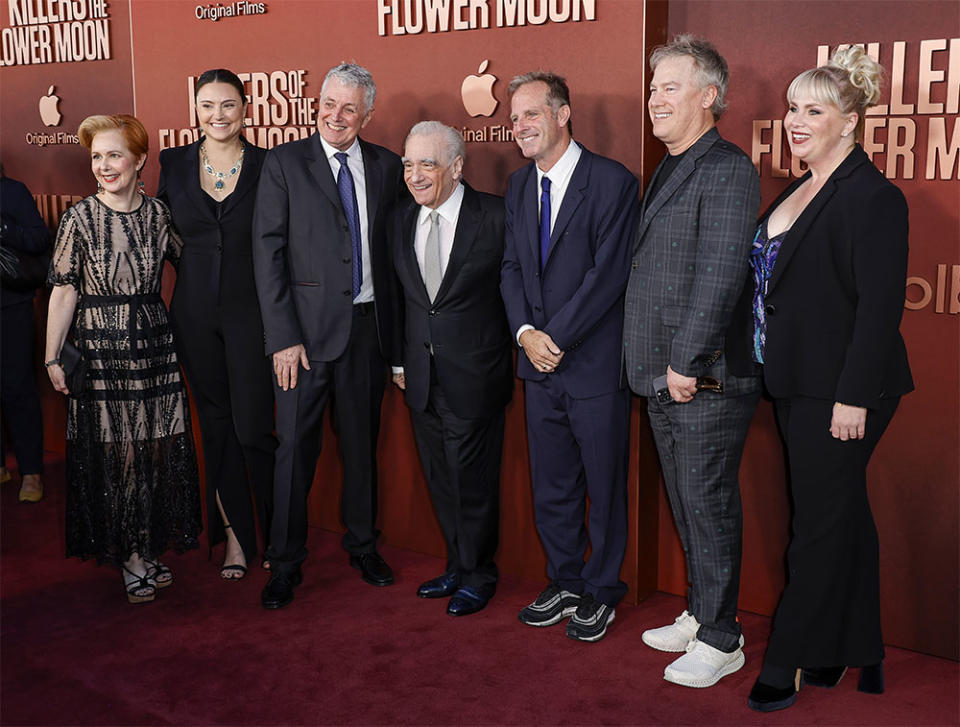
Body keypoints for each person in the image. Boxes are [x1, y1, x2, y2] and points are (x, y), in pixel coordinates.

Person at [744, 46, 913, 712]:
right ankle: (852, 646)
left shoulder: (873, 196)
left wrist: (850, 395)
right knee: (841, 515)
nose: (795, 120)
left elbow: (880, 308)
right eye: (791, 107)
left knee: (815, 525)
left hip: (843, 390)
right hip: (794, 382)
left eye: (813, 109)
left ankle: (786, 657)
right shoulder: (800, 186)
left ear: (850, 122)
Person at [623, 34, 761, 688]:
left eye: (669, 87)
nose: (655, 99)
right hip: (662, 375)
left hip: (702, 377)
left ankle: (723, 636)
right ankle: (701, 611)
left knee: (706, 503)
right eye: (653, 88)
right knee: (686, 501)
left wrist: (684, 359)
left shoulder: (728, 167)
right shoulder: (672, 164)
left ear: (709, 95)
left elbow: (720, 274)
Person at [253, 62, 405, 609]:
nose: (334, 115)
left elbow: (398, 255)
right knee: (294, 452)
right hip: (303, 342)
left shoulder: (389, 167)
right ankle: (285, 561)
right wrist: (282, 338)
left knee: (362, 449)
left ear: (367, 113)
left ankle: (363, 545)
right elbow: (266, 253)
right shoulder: (284, 162)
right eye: (327, 103)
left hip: (367, 333)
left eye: (348, 107)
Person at [500, 71, 638, 642]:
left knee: (603, 486)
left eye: (531, 113)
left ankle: (602, 589)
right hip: (537, 363)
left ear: (563, 114)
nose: (520, 126)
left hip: (593, 366)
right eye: (513, 118)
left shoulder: (611, 182)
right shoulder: (516, 186)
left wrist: (553, 337)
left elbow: (608, 276)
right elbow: (510, 268)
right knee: (552, 484)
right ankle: (565, 579)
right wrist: (527, 334)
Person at [45, 114, 202, 604]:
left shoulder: (159, 215)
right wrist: (52, 357)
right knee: (122, 455)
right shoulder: (80, 219)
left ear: (139, 160)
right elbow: (64, 291)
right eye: (97, 157)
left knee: (155, 450)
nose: (104, 166)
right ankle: (132, 555)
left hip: (154, 347)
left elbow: (198, 265)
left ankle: (149, 545)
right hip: (102, 351)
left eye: (114, 155)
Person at [158, 69, 276, 581]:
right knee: (218, 427)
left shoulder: (271, 165)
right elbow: (165, 235)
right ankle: (233, 537)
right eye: (207, 106)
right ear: (196, 110)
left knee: (254, 428)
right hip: (195, 314)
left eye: (228, 105)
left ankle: (273, 534)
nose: (217, 115)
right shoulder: (174, 162)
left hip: (253, 313)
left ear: (245, 109)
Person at [390, 121, 511, 617]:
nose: (414, 175)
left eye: (427, 164)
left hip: (475, 374)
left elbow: (516, 291)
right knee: (442, 477)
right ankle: (458, 566)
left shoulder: (497, 216)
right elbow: (403, 299)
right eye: (408, 164)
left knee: (472, 480)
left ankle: (480, 574)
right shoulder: (400, 219)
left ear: (457, 167)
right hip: (419, 375)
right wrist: (399, 360)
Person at [1, 166, 50, 502]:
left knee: (17, 387)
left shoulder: (12, 191)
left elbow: (38, 239)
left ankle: (31, 472)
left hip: (8, 304)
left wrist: (3, 227)